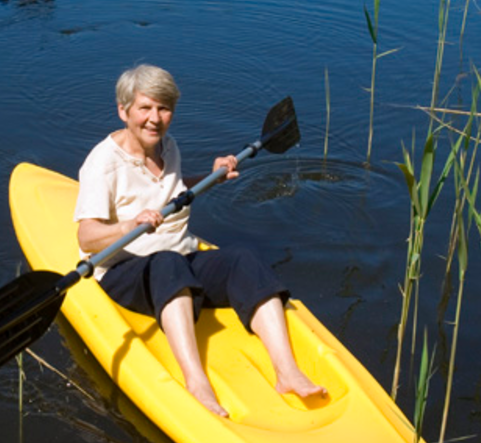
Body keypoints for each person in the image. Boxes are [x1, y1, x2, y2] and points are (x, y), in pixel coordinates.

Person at [74, 64, 325, 417]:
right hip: (124, 270)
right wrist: (128, 223)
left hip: (179, 257)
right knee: (168, 262)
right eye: (145, 108)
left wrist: (211, 177)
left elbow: (173, 188)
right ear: (124, 110)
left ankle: (288, 371)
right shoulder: (102, 164)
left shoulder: (166, 145)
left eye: (163, 109)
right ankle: (197, 382)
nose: (154, 118)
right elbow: (86, 236)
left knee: (243, 257)